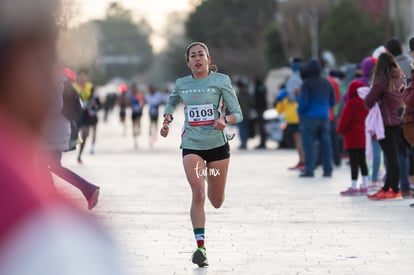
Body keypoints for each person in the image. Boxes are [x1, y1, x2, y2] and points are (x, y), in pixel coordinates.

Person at [0, 1, 125, 274]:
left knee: (46, 167)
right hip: (53, 132)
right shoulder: (51, 240)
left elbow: (58, 107)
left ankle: (86, 189)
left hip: (54, 131)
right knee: (44, 168)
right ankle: (85, 190)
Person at [160, 42, 243, 267]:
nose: (197, 59)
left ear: (208, 59)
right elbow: (172, 102)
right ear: (187, 62)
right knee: (198, 192)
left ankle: (211, 179)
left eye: (201, 55)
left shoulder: (221, 81)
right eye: (193, 56)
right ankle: (201, 248)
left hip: (217, 147)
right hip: (192, 145)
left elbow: (238, 114)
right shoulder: (182, 84)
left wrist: (224, 120)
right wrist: (167, 120)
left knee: (215, 201)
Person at [45, 73, 100, 210]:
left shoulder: (54, 79)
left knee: (40, 166)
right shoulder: (59, 79)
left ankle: (52, 203)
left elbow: (56, 106)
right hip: (56, 129)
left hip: (53, 130)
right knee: (53, 166)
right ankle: (88, 189)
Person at [365, 52, 404, 200]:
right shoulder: (398, 76)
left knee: (391, 156)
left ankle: (394, 189)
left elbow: (369, 100)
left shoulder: (383, 79)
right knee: (392, 155)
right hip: (398, 119)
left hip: (386, 121)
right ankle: (388, 187)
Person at [298, 59, 335, 178]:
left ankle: (309, 170)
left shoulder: (307, 84)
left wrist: (301, 112)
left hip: (309, 118)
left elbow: (303, 102)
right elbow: (332, 101)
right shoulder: (327, 83)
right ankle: (328, 170)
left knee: (309, 145)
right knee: (326, 145)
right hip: (324, 117)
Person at [337, 81, 369, 196]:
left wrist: (340, 131)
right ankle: (365, 185)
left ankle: (354, 186)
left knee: (354, 162)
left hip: (352, 137)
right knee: (362, 161)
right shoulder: (366, 104)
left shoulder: (350, 104)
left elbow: (344, 122)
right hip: (364, 137)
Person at [278, 58, 304, 170]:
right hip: (302, 113)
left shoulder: (293, 79)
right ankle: (306, 161)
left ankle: (302, 161)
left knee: (298, 139)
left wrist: (285, 95)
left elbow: (292, 97)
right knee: (303, 139)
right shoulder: (304, 77)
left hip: (294, 115)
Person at [73, 69, 100, 162]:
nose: (83, 78)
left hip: (85, 113)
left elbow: (96, 101)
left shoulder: (90, 87)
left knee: (85, 133)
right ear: (78, 76)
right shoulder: (73, 87)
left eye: (85, 76)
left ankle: (80, 155)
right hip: (75, 113)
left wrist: (94, 104)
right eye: (81, 75)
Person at [235, 80, 254, 149]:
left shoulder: (238, 95)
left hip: (239, 114)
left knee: (241, 129)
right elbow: (252, 103)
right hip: (247, 114)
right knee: (246, 128)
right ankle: (245, 142)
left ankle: (243, 143)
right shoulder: (247, 94)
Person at [254, 77, 268, 149]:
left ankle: (263, 143)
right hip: (262, 108)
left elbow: (257, 99)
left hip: (260, 109)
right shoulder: (262, 87)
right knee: (261, 127)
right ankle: (262, 142)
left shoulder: (258, 88)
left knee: (261, 127)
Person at [130, 83, 144, 148]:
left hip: (138, 111)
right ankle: (135, 140)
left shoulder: (138, 95)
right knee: (133, 126)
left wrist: (140, 108)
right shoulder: (131, 96)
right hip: (134, 112)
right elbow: (129, 103)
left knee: (138, 123)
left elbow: (142, 103)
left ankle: (138, 130)